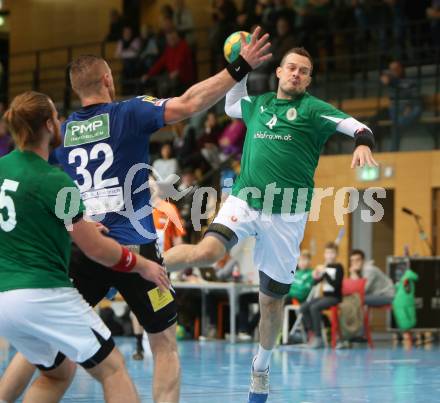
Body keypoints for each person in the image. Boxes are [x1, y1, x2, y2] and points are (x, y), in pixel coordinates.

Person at [0, 28, 271, 403]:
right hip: (136, 249)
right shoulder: (130, 111)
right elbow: (191, 102)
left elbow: (46, 191)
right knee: (163, 344)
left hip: (84, 250)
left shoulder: (63, 132)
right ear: (108, 79)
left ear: (76, 89)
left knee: (41, 348)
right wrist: (238, 69)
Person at [163, 47, 377, 402]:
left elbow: (358, 126)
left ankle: (261, 367)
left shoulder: (313, 110)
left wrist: (362, 143)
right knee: (205, 251)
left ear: (308, 79)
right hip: (245, 199)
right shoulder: (259, 105)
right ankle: (134, 265)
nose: (296, 74)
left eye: (303, 71)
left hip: (287, 215)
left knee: (271, 302)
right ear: (278, 72)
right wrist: (241, 68)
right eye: (291, 68)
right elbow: (233, 103)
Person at [0, 91, 170, 403]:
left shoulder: (2, 169)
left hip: (3, 299)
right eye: (57, 116)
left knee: (57, 374)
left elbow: (25, 222)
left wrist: (74, 225)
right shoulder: (56, 182)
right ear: (51, 125)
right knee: (114, 369)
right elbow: (98, 250)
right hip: (43, 293)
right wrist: (143, 264)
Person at [300, 242, 344, 349]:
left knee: (314, 307)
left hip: (335, 298)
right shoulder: (325, 267)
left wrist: (325, 273)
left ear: (336, 254)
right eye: (327, 253)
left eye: (332, 253)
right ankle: (313, 333)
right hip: (325, 297)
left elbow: (335, 285)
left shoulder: (339, 267)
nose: (329, 255)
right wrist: (316, 276)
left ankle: (319, 338)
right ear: (324, 254)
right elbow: (314, 283)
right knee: (304, 307)